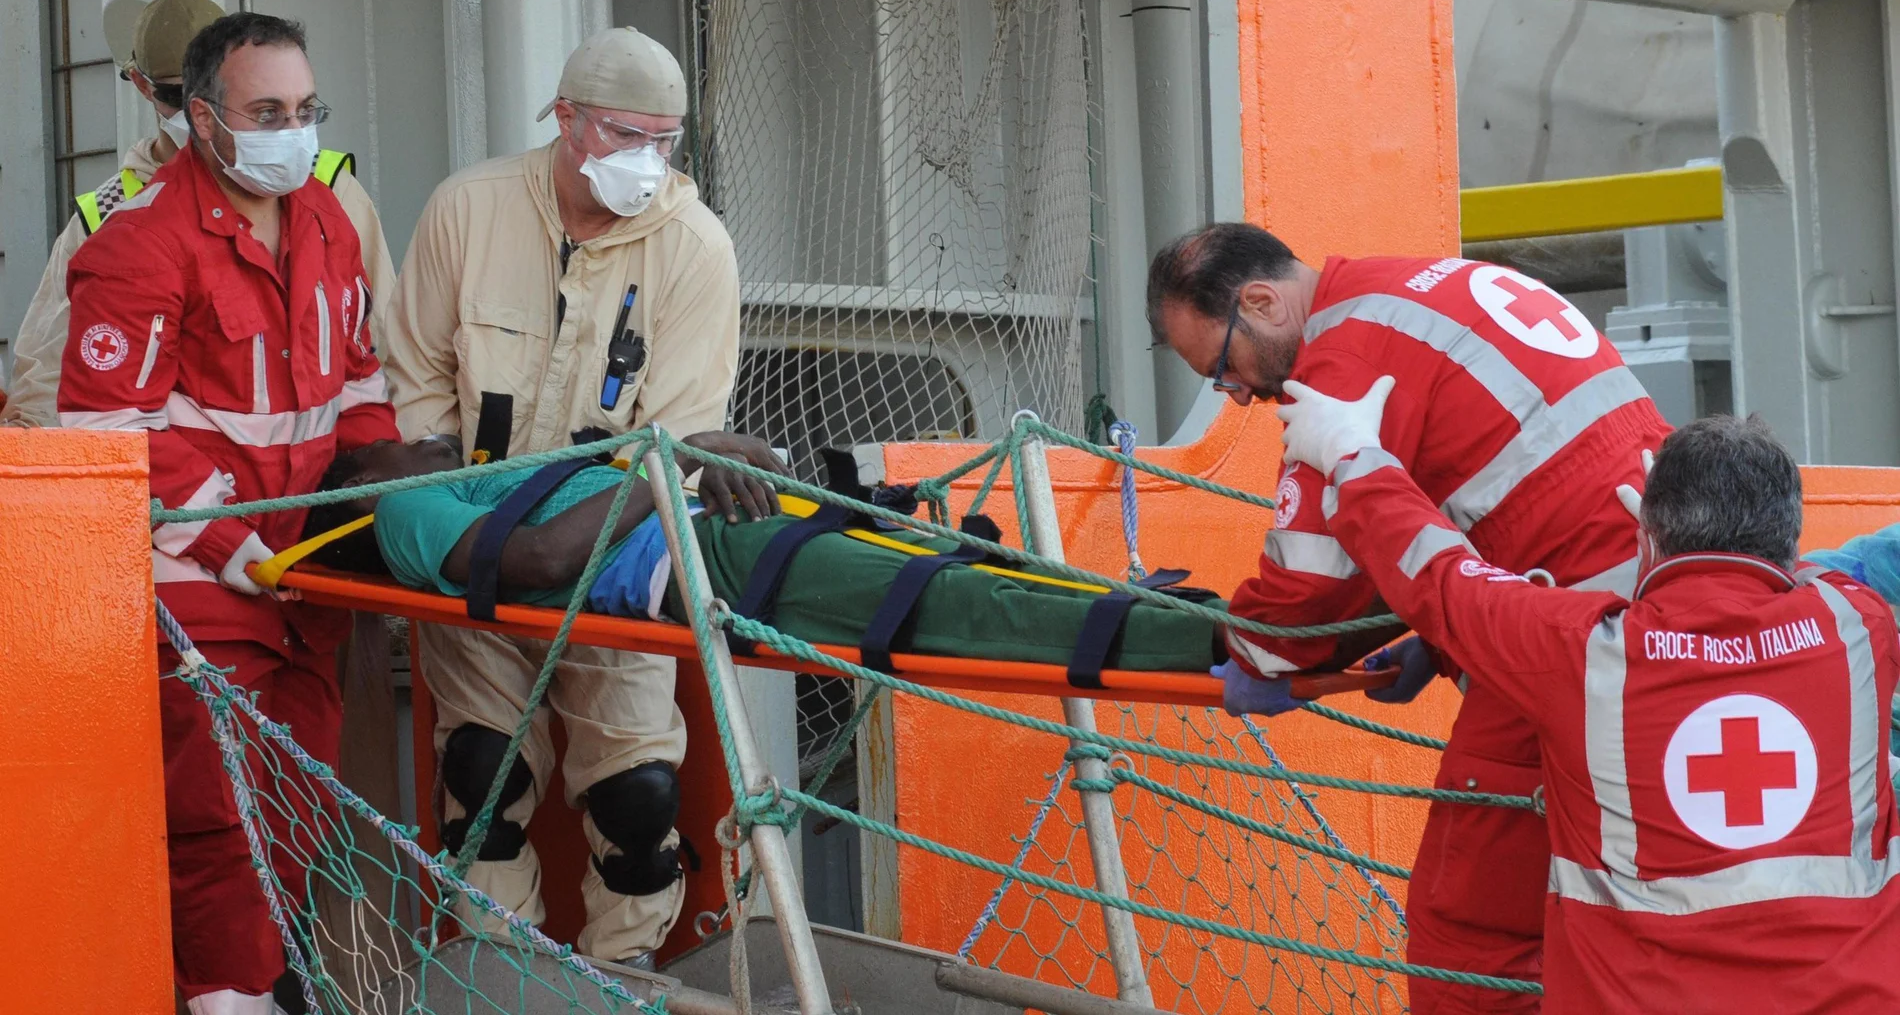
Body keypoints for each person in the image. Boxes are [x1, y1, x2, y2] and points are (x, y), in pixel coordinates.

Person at [1146, 222, 1672, 1010]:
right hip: (1658, 610)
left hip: (1571, 644)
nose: (1240, 395)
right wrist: (1438, 630)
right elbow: (1516, 476)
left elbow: (1306, 592)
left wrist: (1252, 652)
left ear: (1262, 301)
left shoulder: (1341, 366)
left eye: (1224, 367)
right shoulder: (1421, 286)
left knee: (1471, 931)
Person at [1275, 387, 1900, 1012]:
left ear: (1648, 534)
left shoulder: (1581, 651)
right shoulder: (1859, 625)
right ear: (1788, 538)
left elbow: (1442, 579)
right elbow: (1823, 576)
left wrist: (1350, 452)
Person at [377, 26, 743, 968]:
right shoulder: (469, 209)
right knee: (479, 778)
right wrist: (453, 498)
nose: (647, 162)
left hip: (613, 546)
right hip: (474, 547)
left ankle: (620, 977)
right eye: (626, 135)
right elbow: (414, 372)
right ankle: (508, 976)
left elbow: (681, 433)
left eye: (666, 141)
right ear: (566, 118)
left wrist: (569, 538)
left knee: (640, 798)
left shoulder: (697, 250)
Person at [55, 12, 399, 1015]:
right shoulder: (140, 242)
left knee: (295, 808)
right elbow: (106, 432)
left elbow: (360, 380)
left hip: (308, 579)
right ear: (202, 118)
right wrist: (231, 542)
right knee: (219, 817)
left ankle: (248, 982)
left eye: (305, 110)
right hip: (199, 586)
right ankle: (224, 998)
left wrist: (372, 483)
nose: (291, 132)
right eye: (266, 112)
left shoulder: (327, 222)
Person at [298, 434, 1225, 671]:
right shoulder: (400, 506)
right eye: (392, 442)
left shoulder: (476, 478)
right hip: (710, 559)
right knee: (952, 604)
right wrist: (673, 467)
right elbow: (538, 562)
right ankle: (1213, 641)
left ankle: (1190, 618)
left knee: (967, 572)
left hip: (735, 525)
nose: (420, 438)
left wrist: (703, 457)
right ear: (361, 477)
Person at [2, 0, 394, 429]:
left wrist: (378, 464)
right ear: (142, 84)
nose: (196, 113)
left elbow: (380, 342)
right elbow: (47, 386)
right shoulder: (107, 217)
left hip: (324, 479)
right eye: (178, 93)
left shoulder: (325, 188)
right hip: (194, 488)